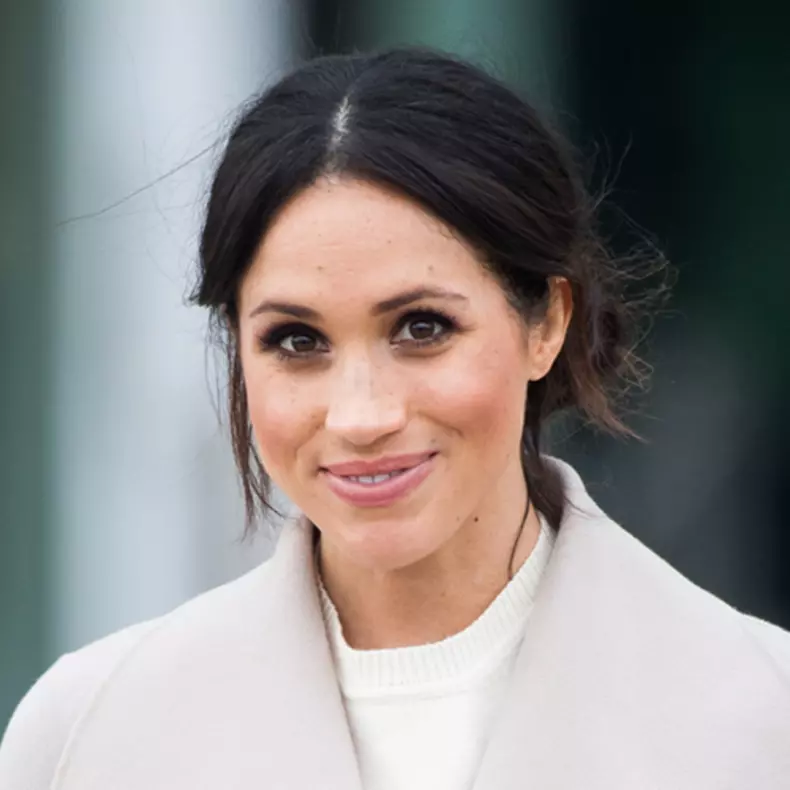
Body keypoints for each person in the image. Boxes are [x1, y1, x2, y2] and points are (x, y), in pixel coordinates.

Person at [1, 47, 789, 790]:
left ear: (546, 322)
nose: (362, 414)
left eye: (421, 328)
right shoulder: (89, 739)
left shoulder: (759, 720)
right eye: (296, 340)